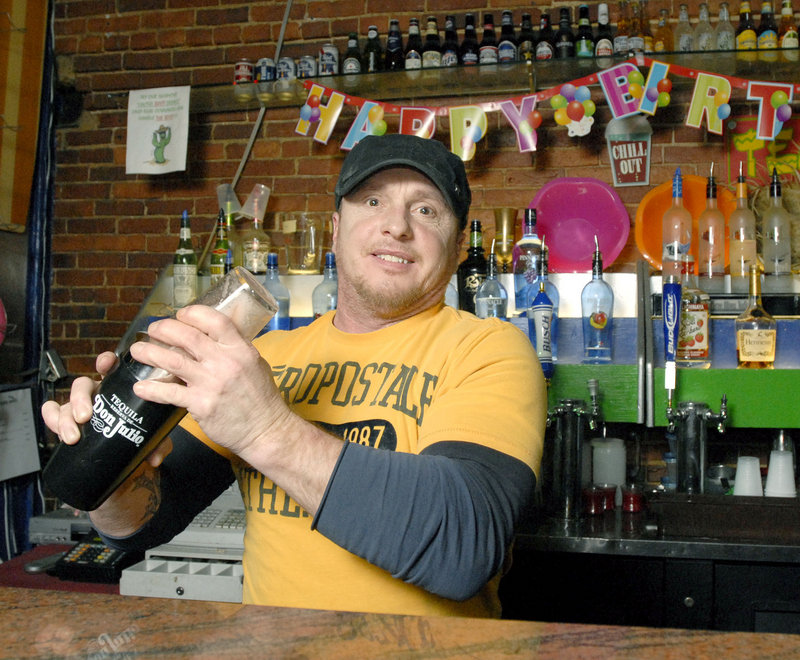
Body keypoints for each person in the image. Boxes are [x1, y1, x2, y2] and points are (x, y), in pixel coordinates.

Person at [42, 133, 547, 618]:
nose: (396, 226)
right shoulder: (268, 356)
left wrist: (265, 429)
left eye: (426, 210)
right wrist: (104, 466)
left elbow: (463, 547)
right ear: (334, 228)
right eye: (372, 202)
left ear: (458, 246)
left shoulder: (489, 350)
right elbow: (150, 519)